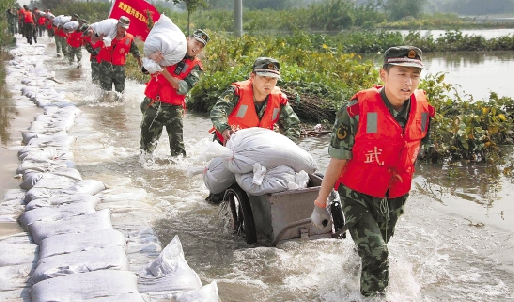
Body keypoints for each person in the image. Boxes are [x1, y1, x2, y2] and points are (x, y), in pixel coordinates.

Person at [311, 46, 435, 298]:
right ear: (383, 75)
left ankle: (346, 278)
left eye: (414, 75)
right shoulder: (356, 109)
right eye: (401, 74)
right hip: (357, 195)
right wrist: (320, 202)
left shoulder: (423, 109)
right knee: (378, 252)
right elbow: (337, 159)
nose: (408, 82)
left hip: (395, 196)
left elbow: (414, 151)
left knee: (373, 249)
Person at [206, 57, 301, 203]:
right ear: (252, 76)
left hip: (258, 149)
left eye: (273, 78)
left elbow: (293, 126)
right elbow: (218, 112)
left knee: (257, 186)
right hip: (228, 144)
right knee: (218, 193)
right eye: (263, 77)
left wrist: (287, 148)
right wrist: (225, 129)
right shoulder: (236, 92)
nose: (268, 82)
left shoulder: (279, 99)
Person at [139, 29, 208, 157]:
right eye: (196, 42)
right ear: (188, 39)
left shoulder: (196, 66)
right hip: (153, 103)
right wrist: (152, 57)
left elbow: (183, 87)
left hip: (174, 109)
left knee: (178, 153)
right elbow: (145, 70)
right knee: (145, 150)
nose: (197, 47)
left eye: (200, 46)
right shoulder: (169, 50)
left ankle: (179, 176)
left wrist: (164, 71)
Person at [93, 16, 142, 93]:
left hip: (119, 69)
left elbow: (136, 53)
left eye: (125, 28)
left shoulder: (129, 38)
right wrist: (99, 38)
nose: (123, 29)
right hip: (105, 67)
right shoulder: (107, 34)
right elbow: (92, 40)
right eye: (121, 27)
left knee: (120, 94)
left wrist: (140, 65)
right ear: (117, 25)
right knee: (105, 93)